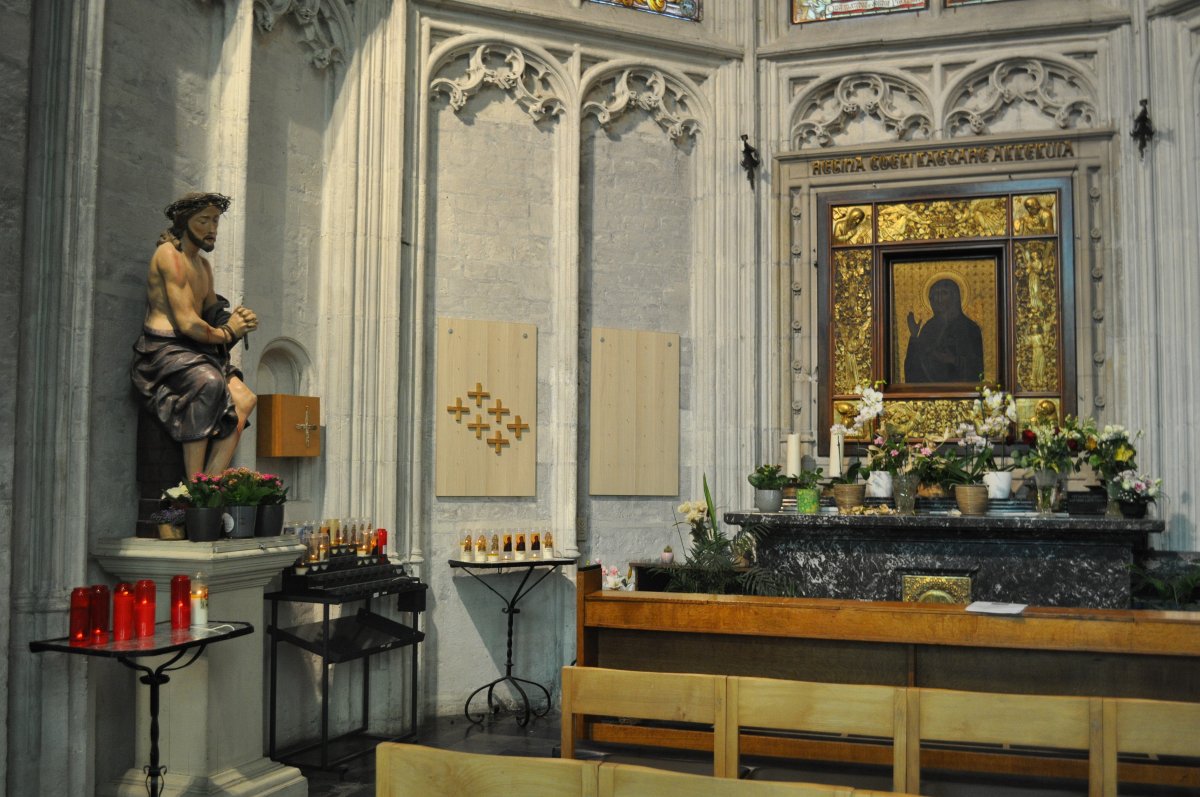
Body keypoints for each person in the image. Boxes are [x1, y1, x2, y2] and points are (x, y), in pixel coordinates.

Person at [130, 192, 259, 477]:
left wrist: (237, 319)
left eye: (216, 221)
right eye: (204, 221)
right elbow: (187, 323)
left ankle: (209, 483)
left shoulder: (202, 265)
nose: (212, 228)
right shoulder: (169, 256)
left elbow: (210, 310)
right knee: (210, 383)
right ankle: (194, 482)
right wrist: (229, 331)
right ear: (184, 221)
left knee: (246, 399)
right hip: (163, 350)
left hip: (196, 350)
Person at [904, 278, 983, 383]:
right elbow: (914, 369)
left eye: (944, 293)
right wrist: (914, 336)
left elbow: (977, 369)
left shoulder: (969, 327)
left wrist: (953, 360)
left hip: (959, 389)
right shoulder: (929, 328)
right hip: (929, 390)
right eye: (935, 294)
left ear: (955, 297)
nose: (939, 298)